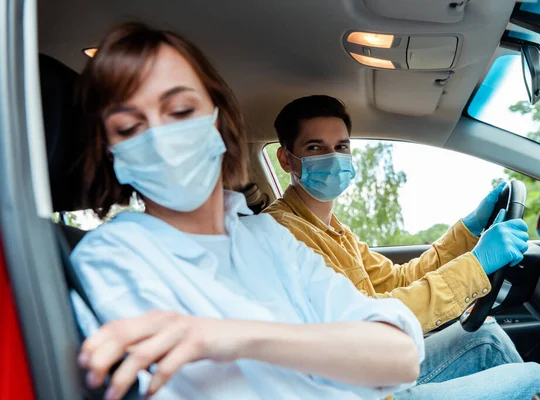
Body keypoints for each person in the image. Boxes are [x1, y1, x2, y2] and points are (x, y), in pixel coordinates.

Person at [70, 22, 424, 400]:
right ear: (110, 151)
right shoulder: (113, 258)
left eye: (180, 110)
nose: (160, 139)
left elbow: (400, 355)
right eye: (128, 128)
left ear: (219, 121)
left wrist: (237, 335)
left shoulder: (264, 236)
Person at [263, 95, 540, 399]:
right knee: (535, 382)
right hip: (350, 387)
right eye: (315, 147)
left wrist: (467, 232)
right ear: (286, 158)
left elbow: (398, 281)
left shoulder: (334, 229)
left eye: (341, 146)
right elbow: (370, 321)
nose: (333, 157)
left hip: (371, 368)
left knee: (486, 337)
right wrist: (477, 264)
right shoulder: (283, 232)